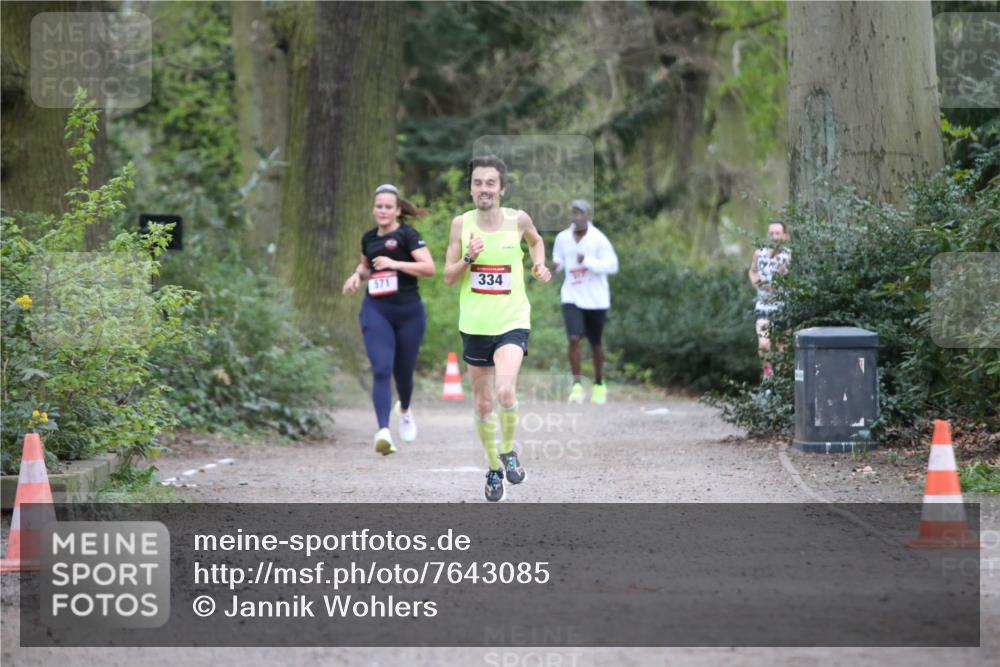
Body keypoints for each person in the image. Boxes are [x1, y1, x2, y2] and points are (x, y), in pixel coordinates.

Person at [444, 155, 552, 502]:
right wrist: (468, 258)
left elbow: (536, 241)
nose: (484, 189)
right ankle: (493, 469)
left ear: (501, 188)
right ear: (471, 188)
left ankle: (508, 451)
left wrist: (538, 265)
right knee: (483, 405)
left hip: (512, 320)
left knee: (505, 391)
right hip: (475, 325)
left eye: (490, 183)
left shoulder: (517, 220)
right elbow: (448, 277)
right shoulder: (461, 225)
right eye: (478, 183)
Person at [342, 184, 435, 455]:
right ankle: (383, 430)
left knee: (403, 374)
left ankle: (404, 409)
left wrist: (396, 264)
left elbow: (429, 268)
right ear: (374, 210)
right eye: (378, 206)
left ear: (397, 210)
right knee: (381, 368)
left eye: (387, 207)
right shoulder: (368, 238)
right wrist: (356, 276)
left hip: (409, 312)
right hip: (377, 310)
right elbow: (365, 266)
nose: (382, 211)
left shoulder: (407, 235)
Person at [552, 199, 619, 404]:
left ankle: (599, 384)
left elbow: (612, 266)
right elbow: (559, 261)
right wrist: (554, 266)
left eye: (580, 213)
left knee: (595, 343)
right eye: (574, 213)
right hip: (572, 295)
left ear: (588, 216)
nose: (577, 217)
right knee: (573, 338)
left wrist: (587, 261)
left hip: (596, 299)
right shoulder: (563, 238)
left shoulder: (598, 239)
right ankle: (577, 386)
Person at [748, 219, 790, 378]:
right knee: (764, 343)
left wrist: (785, 274)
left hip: (783, 306)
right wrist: (757, 283)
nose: (774, 236)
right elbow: (752, 271)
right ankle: (768, 374)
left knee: (782, 349)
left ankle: (780, 383)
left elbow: (795, 279)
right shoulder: (759, 253)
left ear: (784, 236)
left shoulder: (788, 256)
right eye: (771, 233)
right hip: (763, 306)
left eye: (777, 233)